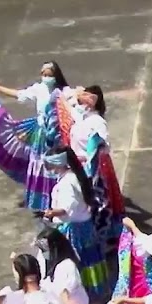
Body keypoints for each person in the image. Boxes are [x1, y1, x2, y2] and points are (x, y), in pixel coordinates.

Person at [0, 61, 73, 212]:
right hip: (41, 133)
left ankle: (62, 197)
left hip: (58, 135)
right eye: (43, 74)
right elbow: (19, 94)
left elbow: (75, 101)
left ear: (56, 76)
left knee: (60, 165)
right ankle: (45, 200)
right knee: (40, 165)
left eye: (49, 75)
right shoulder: (39, 89)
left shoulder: (65, 92)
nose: (45, 77)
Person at [41, 147, 108, 299]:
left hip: (73, 229)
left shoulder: (65, 184)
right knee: (89, 258)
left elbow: (67, 208)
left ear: (58, 164)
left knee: (75, 261)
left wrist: (50, 213)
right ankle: (95, 293)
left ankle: (79, 294)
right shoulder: (76, 176)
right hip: (85, 225)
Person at [63, 85, 125, 242]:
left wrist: (90, 155)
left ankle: (102, 236)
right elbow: (65, 99)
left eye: (83, 100)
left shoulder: (97, 122)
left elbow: (103, 145)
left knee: (95, 202)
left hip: (91, 168)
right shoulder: (82, 117)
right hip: (77, 166)